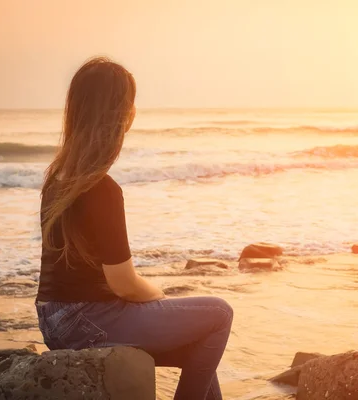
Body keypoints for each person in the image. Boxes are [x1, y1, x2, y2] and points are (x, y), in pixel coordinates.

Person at [36, 57, 233, 400]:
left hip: (54, 320)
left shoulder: (59, 179)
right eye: (130, 102)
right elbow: (124, 284)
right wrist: (159, 298)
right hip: (87, 319)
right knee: (218, 314)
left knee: (197, 349)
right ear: (119, 115)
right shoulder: (101, 188)